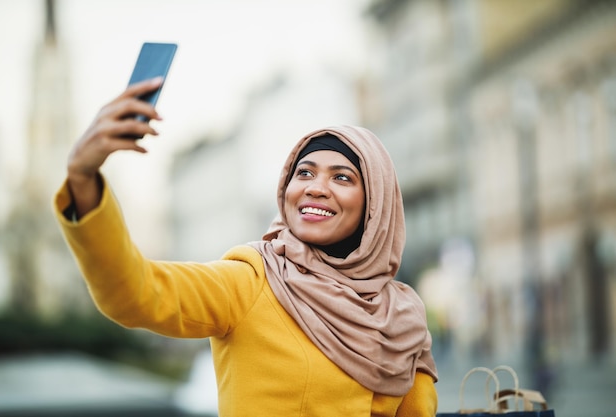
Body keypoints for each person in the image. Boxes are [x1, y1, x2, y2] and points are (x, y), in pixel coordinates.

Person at [54, 78, 439, 416]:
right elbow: (135, 292)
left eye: (342, 177)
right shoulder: (254, 279)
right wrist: (83, 179)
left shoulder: (401, 316)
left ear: (376, 205)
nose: (315, 187)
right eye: (303, 173)